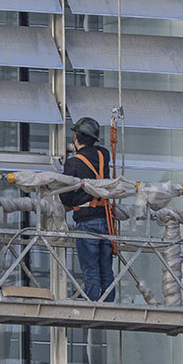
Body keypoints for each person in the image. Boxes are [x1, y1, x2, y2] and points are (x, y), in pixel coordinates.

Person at [59, 116, 115, 303]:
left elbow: (65, 195)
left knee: (90, 267)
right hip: (106, 219)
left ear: (76, 138)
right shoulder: (103, 155)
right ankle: (108, 302)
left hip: (86, 220)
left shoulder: (73, 163)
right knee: (105, 266)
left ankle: (93, 303)